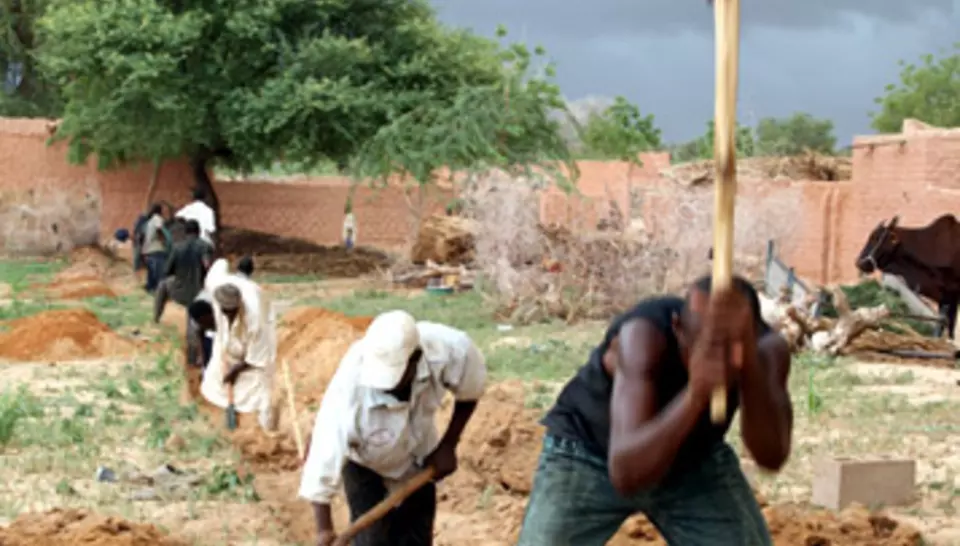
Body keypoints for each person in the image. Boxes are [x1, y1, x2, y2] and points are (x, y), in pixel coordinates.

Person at [516, 275, 793, 546]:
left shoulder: (766, 351)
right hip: (589, 453)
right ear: (678, 329)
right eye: (700, 348)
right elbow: (626, 473)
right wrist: (696, 395)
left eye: (733, 348)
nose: (717, 359)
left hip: (694, 459)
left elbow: (772, 457)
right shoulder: (643, 336)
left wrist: (749, 367)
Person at [299, 310, 487, 546]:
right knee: (371, 541)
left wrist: (449, 444)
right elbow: (322, 457)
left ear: (415, 359)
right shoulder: (348, 388)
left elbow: (471, 389)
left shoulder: (450, 349)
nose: (386, 386)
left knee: (416, 540)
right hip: (365, 462)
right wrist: (324, 531)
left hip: (419, 457)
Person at [201, 274, 278, 432]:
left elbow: (257, 358)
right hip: (229, 341)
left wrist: (235, 371)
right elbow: (217, 267)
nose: (228, 314)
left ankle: (266, 425)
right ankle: (220, 409)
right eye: (225, 310)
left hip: (256, 343)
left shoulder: (256, 321)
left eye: (231, 311)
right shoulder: (217, 290)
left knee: (259, 384)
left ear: (239, 305)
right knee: (216, 373)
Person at [154, 220, 214, 323]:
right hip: (200, 290)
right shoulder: (206, 246)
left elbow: (167, 270)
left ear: (185, 232)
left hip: (179, 291)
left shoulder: (177, 247)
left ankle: (156, 317)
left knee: (162, 285)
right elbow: (208, 266)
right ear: (199, 231)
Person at [141, 203, 169, 292]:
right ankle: (159, 291)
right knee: (159, 273)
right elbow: (159, 229)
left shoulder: (149, 222)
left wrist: (143, 251)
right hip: (157, 249)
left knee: (151, 273)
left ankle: (150, 289)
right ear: (159, 211)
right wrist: (163, 240)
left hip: (149, 250)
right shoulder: (157, 218)